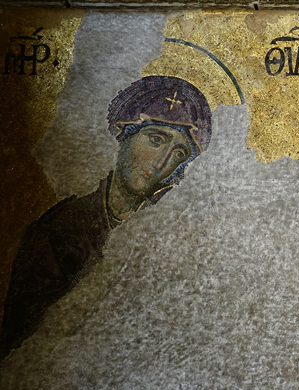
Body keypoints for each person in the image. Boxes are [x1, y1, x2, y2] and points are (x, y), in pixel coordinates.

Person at [0, 76, 212, 360]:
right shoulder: (60, 231)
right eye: (156, 140)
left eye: (178, 154)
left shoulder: (165, 234)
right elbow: (23, 344)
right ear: (124, 135)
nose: (160, 163)